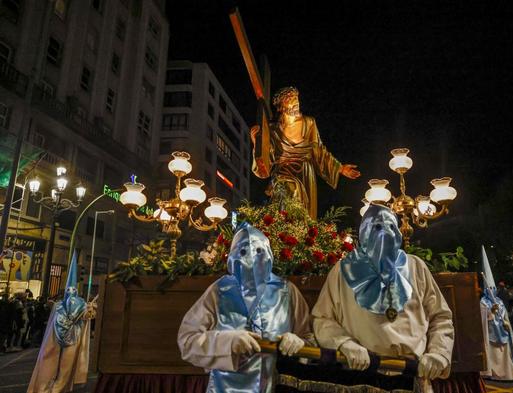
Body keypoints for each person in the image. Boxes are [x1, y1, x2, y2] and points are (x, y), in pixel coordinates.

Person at [312, 204, 454, 392]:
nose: (385, 232)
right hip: (360, 376)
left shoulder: (416, 267)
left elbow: (440, 317)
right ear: (363, 235)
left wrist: (438, 353)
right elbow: (322, 319)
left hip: (413, 374)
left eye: (391, 226)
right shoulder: (342, 271)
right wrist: (344, 343)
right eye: (377, 226)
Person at [177, 223, 312, 392]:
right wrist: (228, 342)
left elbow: (309, 339)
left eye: (258, 251)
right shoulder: (218, 291)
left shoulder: (287, 291)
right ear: (232, 257)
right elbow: (187, 341)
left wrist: (298, 343)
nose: (251, 259)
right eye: (242, 252)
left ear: (269, 254)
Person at [250, 86, 360, 218]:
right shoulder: (273, 131)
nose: (295, 101)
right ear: (281, 106)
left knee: (303, 215)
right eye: (289, 99)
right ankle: (284, 233)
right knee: (287, 195)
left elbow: (319, 151)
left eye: (296, 98)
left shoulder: (309, 123)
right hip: (282, 172)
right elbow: (265, 164)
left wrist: (340, 168)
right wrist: (256, 143)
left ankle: (301, 235)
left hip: (305, 173)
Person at [28, 252, 97, 393]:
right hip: (71, 339)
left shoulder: (58, 305)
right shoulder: (78, 305)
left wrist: (90, 309)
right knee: (64, 367)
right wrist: (91, 307)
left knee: (52, 363)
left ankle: (47, 388)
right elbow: (89, 315)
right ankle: (56, 389)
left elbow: (88, 315)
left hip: (59, 341)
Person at [480, 246, 513, 382]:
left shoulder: (499, 300)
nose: (492, 290)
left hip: (502, 332)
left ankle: (508, 372)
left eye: (493, 288)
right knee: (492, 354)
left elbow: (504, 315)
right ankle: (491, 372)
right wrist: (490, 313)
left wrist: (505, 322)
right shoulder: (483, 302)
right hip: (491, 333)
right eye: (489, 288)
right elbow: (481, 319)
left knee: (504, 354)